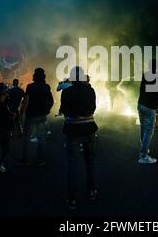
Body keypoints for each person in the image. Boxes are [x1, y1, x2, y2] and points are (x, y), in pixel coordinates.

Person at [60, 67, 98, 209]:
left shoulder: (67, 91)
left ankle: (72, 199)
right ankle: (91, 191)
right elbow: (93, 108)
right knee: (90, 162)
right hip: (89, 129)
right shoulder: (90, 90)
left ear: (71, 78)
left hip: (72, 130)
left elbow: (64, 109)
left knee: (72, 164)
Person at [18, 68, 54, 166]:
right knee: (41, 138)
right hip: (42, 115)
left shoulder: (30, 86)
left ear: (34, 76)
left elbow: (25, 101)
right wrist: (47, 110)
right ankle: (40, 160)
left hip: (31, 115)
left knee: (26, 138)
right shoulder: (46, 87)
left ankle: (25, 160)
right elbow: (51, 100)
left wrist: (21, 114)